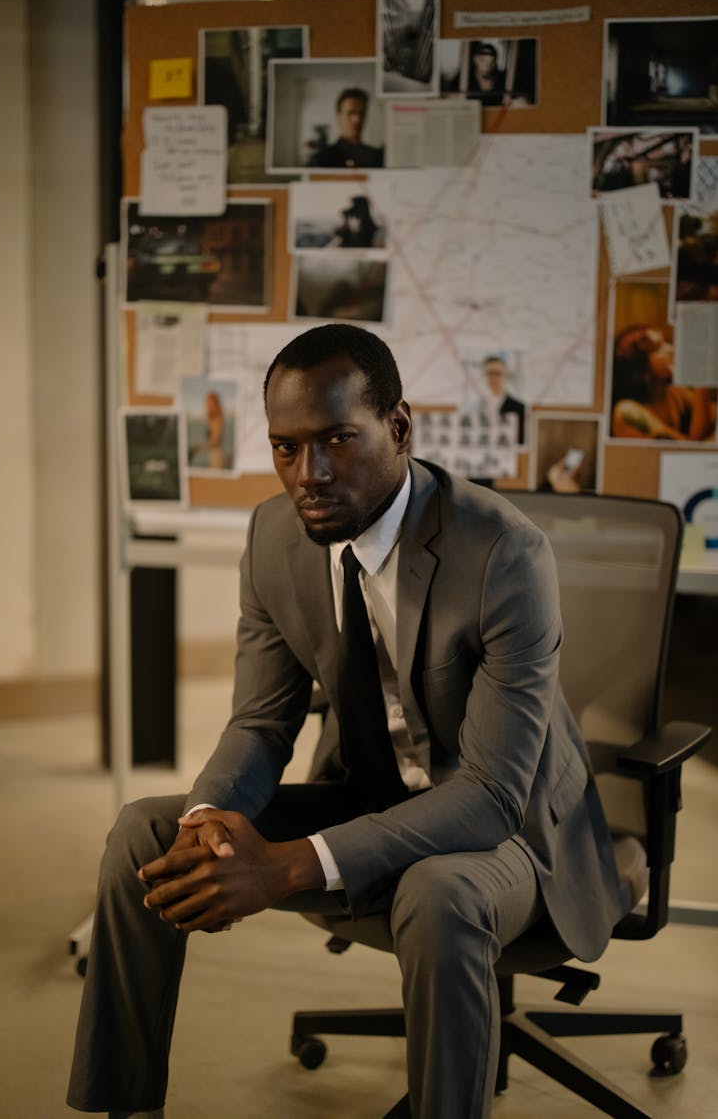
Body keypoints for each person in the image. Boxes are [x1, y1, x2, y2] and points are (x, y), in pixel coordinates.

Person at [68, 324, 624, 1119]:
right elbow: (260, 723)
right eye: (286, 448)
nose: (309, 474)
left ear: (398, 428)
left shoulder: (504, 552)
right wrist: (212, 818)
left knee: (440, 891)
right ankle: (120, 1108)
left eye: (337, 440)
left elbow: (492, 794)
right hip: (369, 793)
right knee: (145, 833)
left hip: (515, 835)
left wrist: (289, 864)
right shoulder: (273, 538)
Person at [610, 324, 717, 441]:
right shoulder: (627, 412)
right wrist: (701, 379)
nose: (671, 349)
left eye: (666, 343)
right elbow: (688, 450)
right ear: (641, 369)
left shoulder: (673, 394)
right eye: (659, 348)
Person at [307, 87, 384, 169]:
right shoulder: (322, 160)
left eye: (361, 113)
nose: (357, 119)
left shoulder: (377, 157)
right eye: (350, 113)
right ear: (339, 116)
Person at [480, 354, 526, 443]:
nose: (493, 378)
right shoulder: (477, 406)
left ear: (505, 375)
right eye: (489, 373)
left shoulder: (519, 407)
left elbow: (521, 440)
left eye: (497, 373)